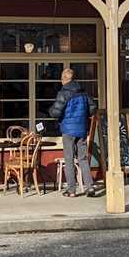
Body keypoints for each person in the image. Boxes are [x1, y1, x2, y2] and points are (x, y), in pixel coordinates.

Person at [48, 68, 96, 197]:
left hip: (68, 130)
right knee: (83, 158)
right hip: (81, 129)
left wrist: (50, 110)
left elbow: (56, 112)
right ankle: (90, 187)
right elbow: (92, 109)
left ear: (65, 79)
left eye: (61, 78)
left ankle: (71, 190)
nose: (61, 80)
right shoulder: (84, 92)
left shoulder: (63, 93)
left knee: (69, 159)